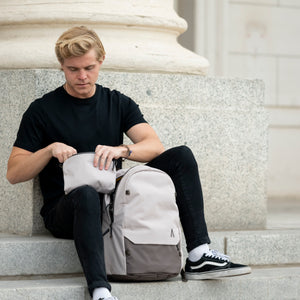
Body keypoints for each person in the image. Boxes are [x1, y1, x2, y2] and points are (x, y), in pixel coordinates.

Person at [6, 26, 251, 300]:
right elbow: (14, 173)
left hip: (115, 204)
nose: (82, 76)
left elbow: (153, 146)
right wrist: (48, 150)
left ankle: (198, 254)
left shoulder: (117, 102)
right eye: (73, 69)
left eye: (89, 67)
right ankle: (100, 291)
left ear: (101, 61)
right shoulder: (42, 110)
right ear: (62, 66)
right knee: (85, 194)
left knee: (181, 156)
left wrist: (121, 150)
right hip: (67, 210)